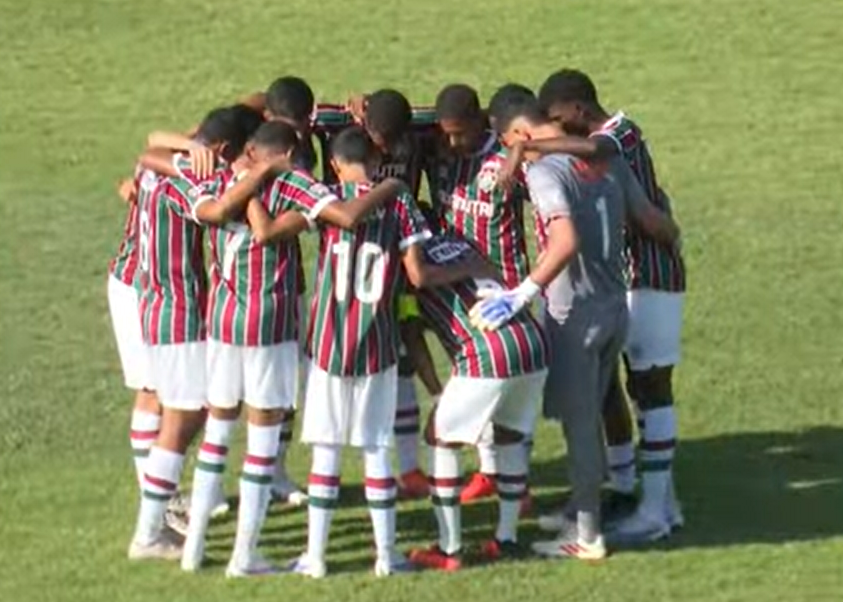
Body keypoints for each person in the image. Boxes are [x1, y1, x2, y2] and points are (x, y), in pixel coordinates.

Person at [475, 97, 679, 560]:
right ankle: (582, 508)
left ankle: (587, 535)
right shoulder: (604, 159)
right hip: (614, 308)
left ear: (517, 136)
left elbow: (564, 240)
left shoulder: (546, 172)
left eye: (509, 146)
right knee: (594, 409)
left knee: (581, 425)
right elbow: (648, 218)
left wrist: (521, 294)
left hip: (575, 316)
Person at [281, 127, 484, 578]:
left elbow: (301, 223)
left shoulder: (331, 198)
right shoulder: (401, 203)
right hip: (378, 343)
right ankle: (386, 555)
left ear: (335, 163)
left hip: (329, 343)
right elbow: (416, 272)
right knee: (377, 449)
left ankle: (315, 557)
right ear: (376, 160)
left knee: (327, 452)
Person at [127, 106, 252, 560]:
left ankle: (159, 519)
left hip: (157, 305)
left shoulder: (158, 166)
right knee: (180, 423)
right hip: (177, 312)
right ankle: (149, 533)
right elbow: (217, 211)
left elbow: (150, 146)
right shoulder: (184, 181)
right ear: (220, 150)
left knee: (188, 413)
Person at [407, 234, 548, 571]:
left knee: (441, 438)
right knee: (509, 435)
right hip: (532, 343)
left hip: (488, 351)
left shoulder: (405, 269)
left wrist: (438, 393)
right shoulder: (463, 243)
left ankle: (449, 548)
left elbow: (412, 336)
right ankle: (507, 539)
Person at [430, 83, 533, 508]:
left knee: (507, 395)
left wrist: (520, 151)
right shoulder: (439, 154)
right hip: (461, 294)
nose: (453, 142)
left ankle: (516, 482)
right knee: (473, 380)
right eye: (446, 133)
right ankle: (491, 473)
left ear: (481, 120)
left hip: (507, 290)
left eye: (460, 133)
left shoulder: (506, 159)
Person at [108, 172, 160, 490]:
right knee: (152, 390)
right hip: (136, 289)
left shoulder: (160, 164)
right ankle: (154, 496)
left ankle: (160, 488)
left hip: (161, 290)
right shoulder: (188, 177)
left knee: (183, 395)